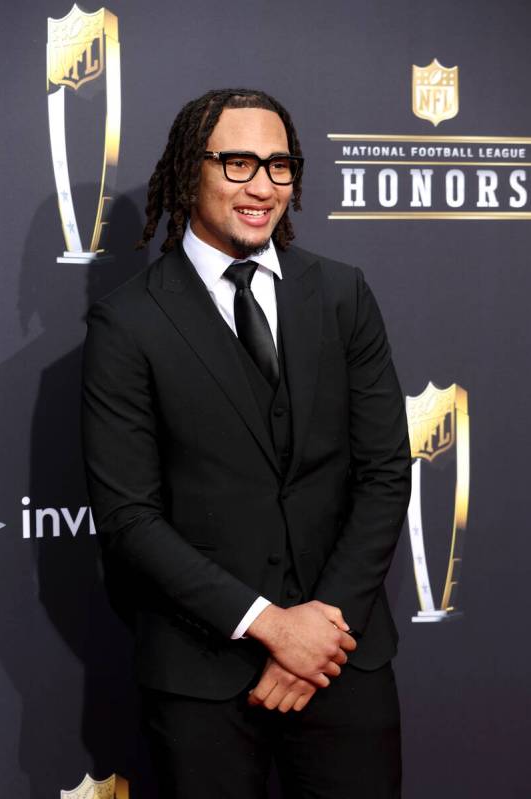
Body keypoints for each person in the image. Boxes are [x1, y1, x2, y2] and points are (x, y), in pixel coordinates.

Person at [82, 87, 411, 798]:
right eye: (237, 163)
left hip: (341, 660)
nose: (262, 186)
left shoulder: (341, 295)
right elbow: (129, 519)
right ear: (186, 169)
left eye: (279, 164)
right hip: (201, 675)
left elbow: (384, 471)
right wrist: (267, 624)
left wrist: (314, 639)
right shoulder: (128, 323)